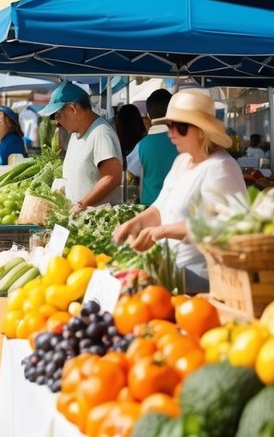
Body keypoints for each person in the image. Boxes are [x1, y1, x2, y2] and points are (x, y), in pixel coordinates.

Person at [113, 89, 246, 290]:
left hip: (203, 282)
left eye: (180, 127)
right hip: (171, 275)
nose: (171, 132)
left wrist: (162, 231)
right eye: (169, 125)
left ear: (202, 131)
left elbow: (222, 227)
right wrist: (135, 223)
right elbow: (160, 208)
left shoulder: (221, 167)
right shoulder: (182, 161)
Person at [40, 81, 122, 212]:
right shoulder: (75, 134)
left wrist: (82, 204)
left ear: (73, 108)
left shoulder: (101, 133)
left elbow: (112, 178)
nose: (57, 122)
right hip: (78, 221)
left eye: (58, 115)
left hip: (97, 224)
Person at [125, 89, 177, 205]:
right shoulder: (184, 141)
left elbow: (131, 173)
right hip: (179, 207)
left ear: (148, 115)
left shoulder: (142, 145)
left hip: (151, 208)